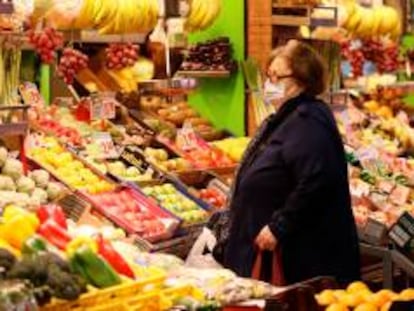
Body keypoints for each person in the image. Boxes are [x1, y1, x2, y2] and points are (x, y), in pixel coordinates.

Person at [213, 40, 360, 286]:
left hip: (299, 259)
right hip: (272, 251)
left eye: (276, 77)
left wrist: (278, 226)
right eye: (268, 76)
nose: (269, 84)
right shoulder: (288, 117)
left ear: (302, 79)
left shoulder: (308, 119)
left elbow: (317, 179)